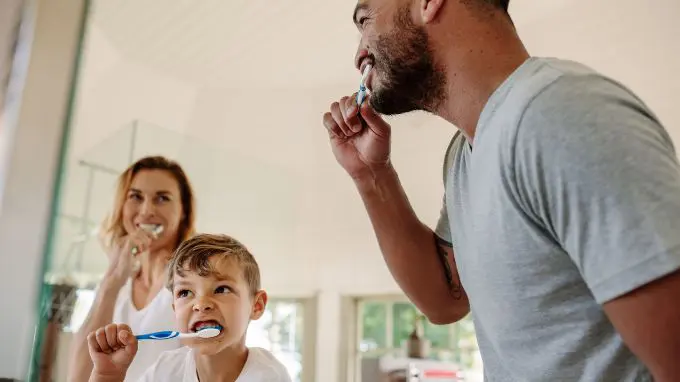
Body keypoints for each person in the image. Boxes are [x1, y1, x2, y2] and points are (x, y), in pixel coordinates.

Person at [322, 0, 680, 380]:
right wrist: (371, 175)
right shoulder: (465, 153)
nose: (360, 52)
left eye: (366, 20)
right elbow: (446, 299)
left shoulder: (559, 114)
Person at [85, 233, 292, 382]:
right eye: (185, 293)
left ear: (256, 305)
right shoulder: (166, 370)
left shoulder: (270, 376)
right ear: (175, 309)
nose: (201, 304)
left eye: (221, 289)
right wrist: (107, 376)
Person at [68, 156, 197, 382]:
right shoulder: (117, 285)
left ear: (183, 210)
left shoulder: (193, 282)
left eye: (162, 198)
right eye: (136, 197)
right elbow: (78, 376)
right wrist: (112, 282)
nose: (147, 210)